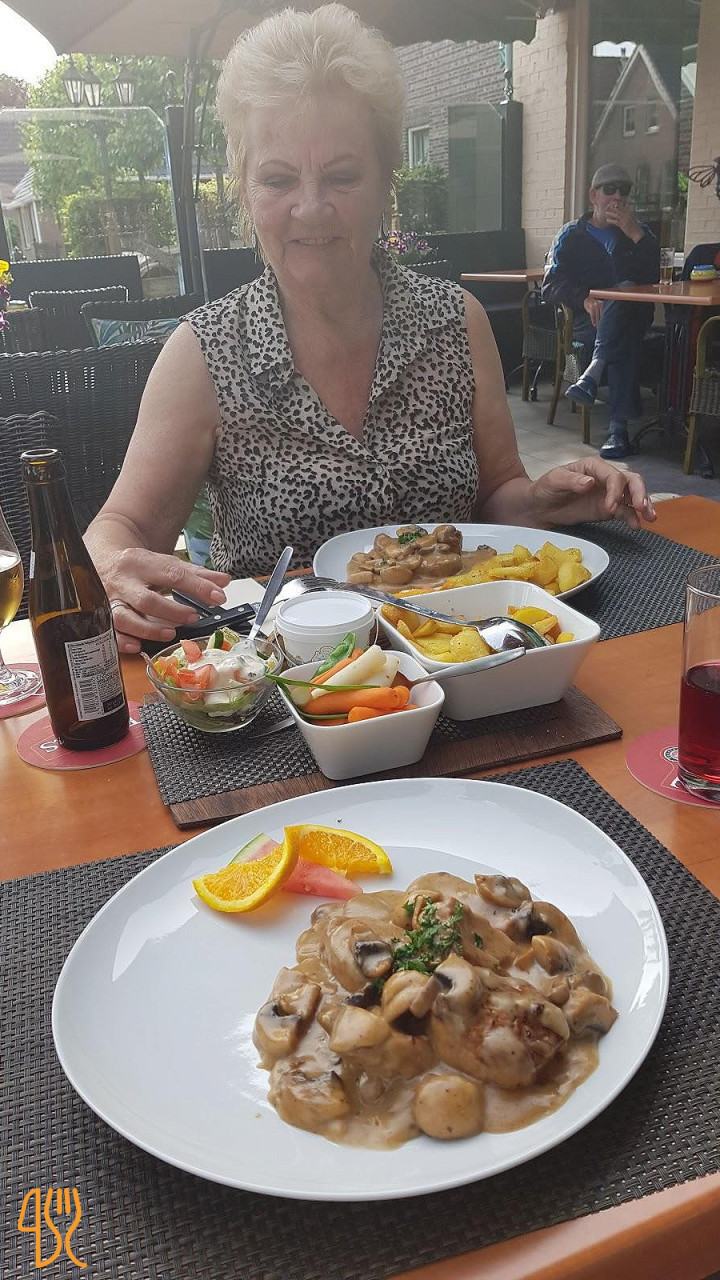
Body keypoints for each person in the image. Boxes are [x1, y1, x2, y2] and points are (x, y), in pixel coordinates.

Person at [85, 6, 657, 655]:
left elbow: (496, 496)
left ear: (386, 182)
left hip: (465, 659)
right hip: (291, 682)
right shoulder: (203, 353)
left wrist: (546, 502)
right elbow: (121, 528)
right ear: (244, 192)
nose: (311, 207)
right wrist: (107, 568)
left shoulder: (456, 322)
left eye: (342, 175)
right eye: (278, 178)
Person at [542, 164, 660, 461]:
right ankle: (617, 429)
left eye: (624, 191)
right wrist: (583, 298)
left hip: (632, 320)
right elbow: (550, 284)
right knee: (622, 336)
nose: (617, 197)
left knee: (625, 292)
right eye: (610, 190)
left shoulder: (641, 234)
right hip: (586, 323)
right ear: (593, 196)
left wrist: (636, 237)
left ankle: (593, 372)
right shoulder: (572, 235)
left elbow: (654, 281)